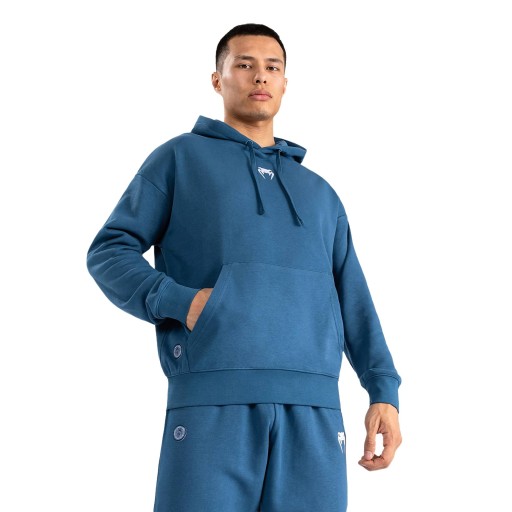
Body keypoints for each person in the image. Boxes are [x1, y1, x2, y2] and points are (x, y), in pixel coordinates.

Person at [86, 23, 402, 512]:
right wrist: (183, 302)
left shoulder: (320, 194)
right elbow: (109, 250)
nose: (260, 76)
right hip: (213, 400)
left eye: (272, 67)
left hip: (315, 408)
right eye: (245, 64)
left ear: (285, 83)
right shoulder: (179, 159)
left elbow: (352, 298)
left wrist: (383, 390)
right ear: (218, 79)